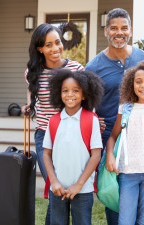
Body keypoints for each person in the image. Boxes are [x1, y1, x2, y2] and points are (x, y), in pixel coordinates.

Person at [85, 8, 144, 225]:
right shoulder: (93, 67)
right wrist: (93, 119)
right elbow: (85, 104)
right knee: (116, 199)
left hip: (139, 137)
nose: (119, 33)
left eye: (124, 28)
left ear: (130, 31)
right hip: (110, 138)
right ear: (105, 31)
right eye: (114, 28)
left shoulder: (141, 58)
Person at [22, 23, 84, 224]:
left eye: (57, 42)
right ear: (40, 48)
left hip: (71, 137)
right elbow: (33, 101)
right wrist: (27, 107)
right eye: (48, 45)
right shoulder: (33, 72)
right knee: (55, 186)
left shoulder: (75, 69)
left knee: (62, 188)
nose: (55, 49)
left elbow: (85, 103)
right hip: (45, 138)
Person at [42, 69, 103, 225]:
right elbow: (46, 154)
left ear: (84, 95)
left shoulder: (91, 120)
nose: (70, 94)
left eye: (75, 91)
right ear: (59, 93)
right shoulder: (54, 121)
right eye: (65, 90)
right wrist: (54, 182)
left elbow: (96, 155)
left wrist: (79, 184)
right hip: (58, 189)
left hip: (82, 190)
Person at [105, 61, 144, 225]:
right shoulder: (126, 108)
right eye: (138, 81)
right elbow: (113, 136)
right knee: (125, 221)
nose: (142, 85)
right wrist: (109, 156)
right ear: (131, 83)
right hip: (128, 172)